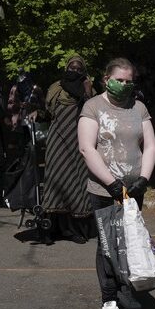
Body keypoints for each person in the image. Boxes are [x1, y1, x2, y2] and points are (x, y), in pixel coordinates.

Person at [78, 57, 155, 309]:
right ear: (106, 79)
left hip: (133, 189)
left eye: (129, 81)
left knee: (130, 239)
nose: (124, 85)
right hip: (104, 189)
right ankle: (109, 300)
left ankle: (126, 287)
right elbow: (87, 148)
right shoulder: (93, 107)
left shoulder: (139, 108)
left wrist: (144, 179)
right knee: (107, 244)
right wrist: (112, 183)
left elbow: (149, 146)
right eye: (119, 80)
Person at [42, 55, 96, 244]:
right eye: (71, 68)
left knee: (76, 183)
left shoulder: (88, 89)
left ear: (84, 71)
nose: (74, 71)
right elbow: (47, 111)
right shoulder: (56, 87)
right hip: (57, 142)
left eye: (78, 69)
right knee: (55, 183)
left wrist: (88, 90)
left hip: (79, 143)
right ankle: (48, 230)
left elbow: (92, 112)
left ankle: (72, 230)